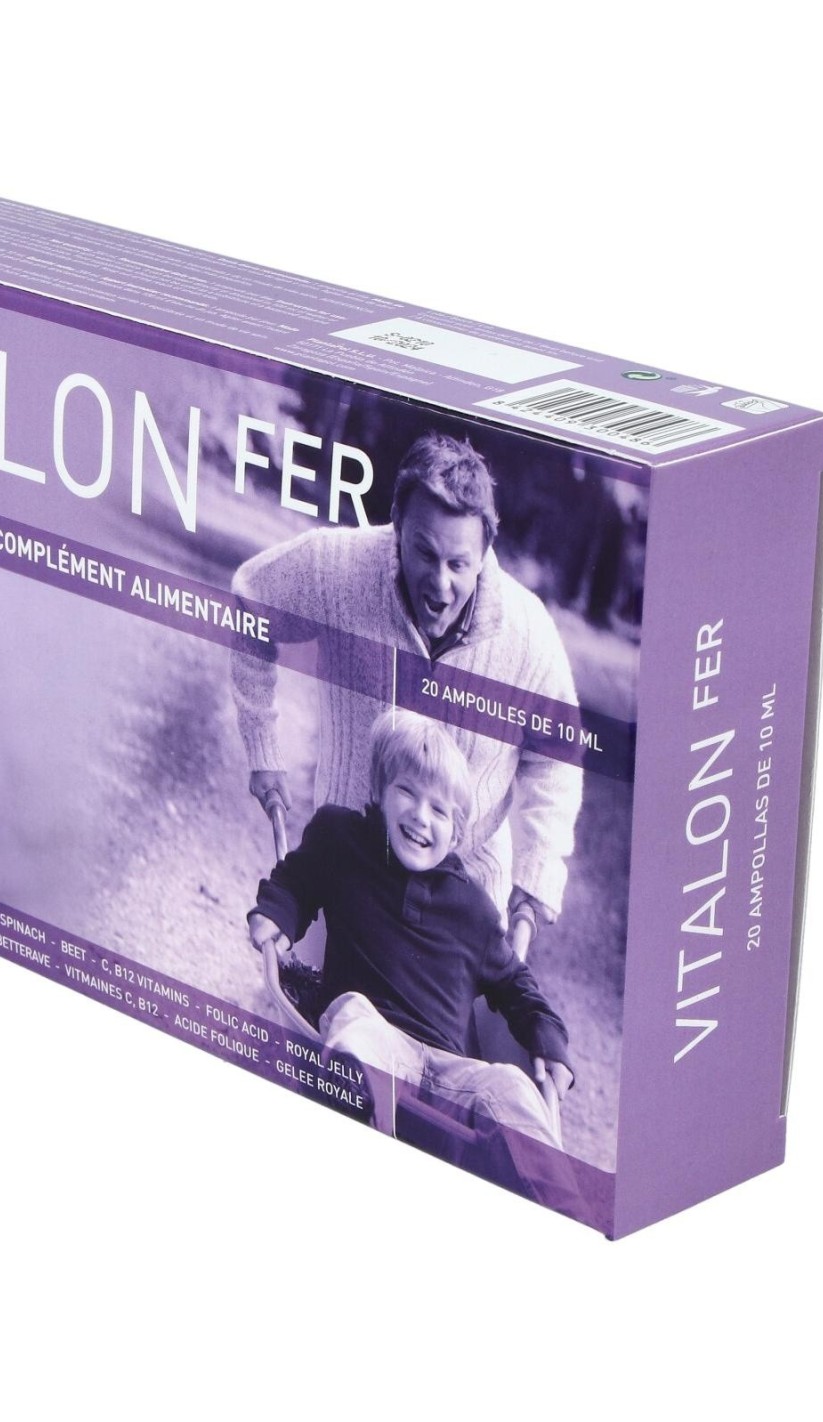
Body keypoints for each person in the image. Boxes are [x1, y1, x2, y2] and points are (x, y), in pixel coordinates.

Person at [231, 430, 582, 937]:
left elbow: (557, 756)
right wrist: (263, 746)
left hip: (465, 900)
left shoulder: (529, 636)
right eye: (425, 553)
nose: (440, 583)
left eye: (458, 564)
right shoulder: (338, 568)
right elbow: (251, 600)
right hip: (346, 870)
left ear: (486, 549)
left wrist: (539, 868)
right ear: (397, 523)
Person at [248, 711, 571, 1146]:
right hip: (376, 1041)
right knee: (354, 1018)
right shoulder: (342, 839)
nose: (421, 816)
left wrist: (548, 1039)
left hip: (449, 1076)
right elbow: (297, 879)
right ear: (380, 793)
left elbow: (516, 983)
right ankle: (358, 1119)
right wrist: (277, 912)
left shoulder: (473, 908)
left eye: (439, 809)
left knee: (511, 1087)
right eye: (407, 791)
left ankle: (548, 1182)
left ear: (455, 835)